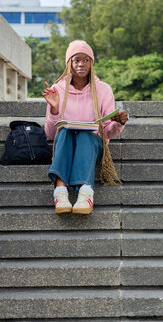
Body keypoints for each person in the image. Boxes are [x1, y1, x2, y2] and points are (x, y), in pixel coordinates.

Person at [42, 40, 128, 214]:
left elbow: (106, 132)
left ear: (91, 63)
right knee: (65, 133)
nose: (81, 64)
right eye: (76, 60)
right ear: (69, 64)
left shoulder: (103, 90)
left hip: (92, 144)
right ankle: (60, 193)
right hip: (65, 142)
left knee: (85, 135)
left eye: (86, 60)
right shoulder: (57, 89)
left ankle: (85, 194)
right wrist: (54, 108)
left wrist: (118, 123)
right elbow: (51, 134)